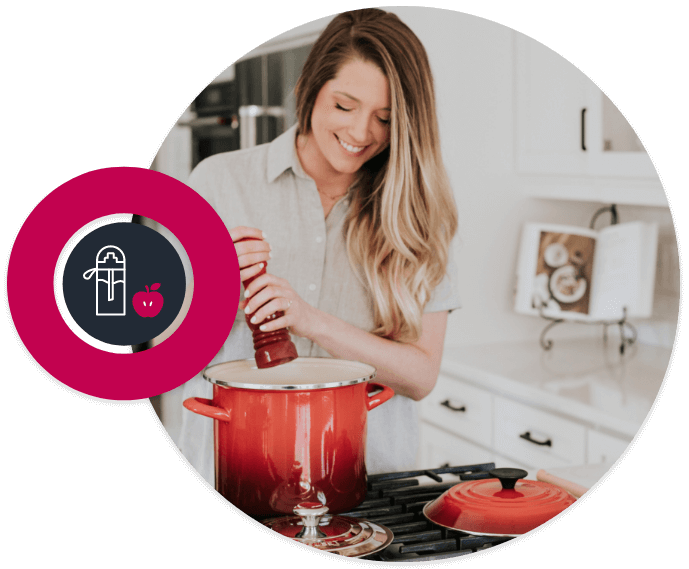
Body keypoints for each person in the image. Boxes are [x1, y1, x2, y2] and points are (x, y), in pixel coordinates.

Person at [168, 8, 461, 487]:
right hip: (231, 474)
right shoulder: (218, 182)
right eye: (344, 106)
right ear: (310, 88)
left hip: (369, 487)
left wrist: (312, 321)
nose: (361, 133)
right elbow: (163, 349)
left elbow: (421, 376)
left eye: (385, 118)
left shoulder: (418, 214)